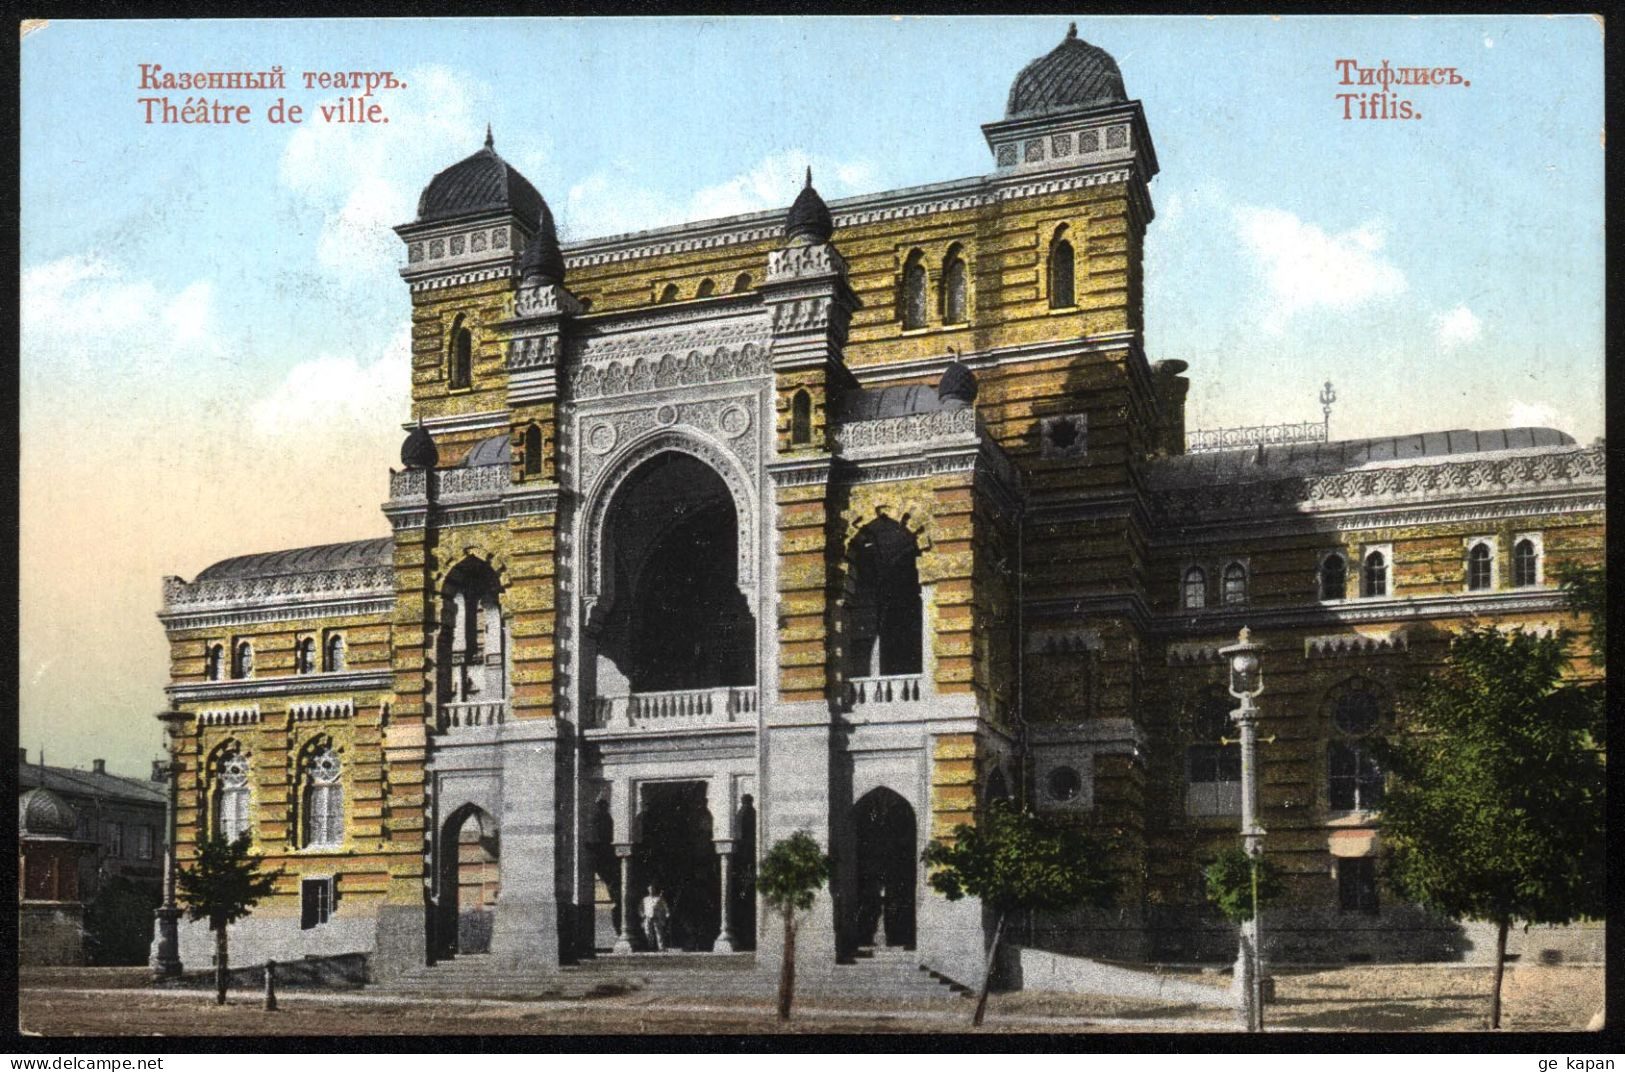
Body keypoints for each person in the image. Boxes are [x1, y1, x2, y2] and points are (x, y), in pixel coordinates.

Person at [640, 884, 670, 951]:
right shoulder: (645, 899)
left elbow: (665, 907)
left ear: (654, 890)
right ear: (648, 890)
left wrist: (667, 914)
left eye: (652, 889)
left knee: (659, 933)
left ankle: (661, 948)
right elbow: (641, 908)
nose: (651, 890)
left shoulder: (659, 898)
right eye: (650, 889)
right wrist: (642, 914)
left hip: (657, 917)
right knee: (648, 933)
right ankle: (651, 947)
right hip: (648, 917)